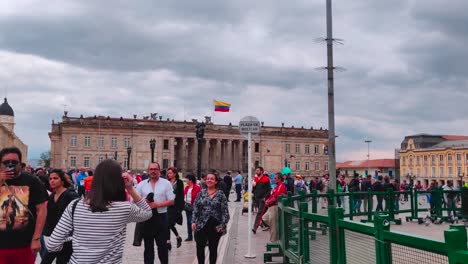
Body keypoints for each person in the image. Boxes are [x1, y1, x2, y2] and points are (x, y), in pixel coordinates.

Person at [46, 160, 152, 263]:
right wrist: (130, 189)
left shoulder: (74, 206)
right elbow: (147, 212)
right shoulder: (123, 208)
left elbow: (52, 244)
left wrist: (77, 243)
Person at [0, 147, 48, 264]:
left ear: (20, 164)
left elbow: (41, 210)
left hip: (24, 243)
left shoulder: (32, 181)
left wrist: (36, 238)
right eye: (6, 162)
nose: (10, 165)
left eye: (14, 162)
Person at [136, 162, 175, 264]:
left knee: (162, 246)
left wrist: (157, 205)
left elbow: (171, 201)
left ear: (159, 170)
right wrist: (144, 201)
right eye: (151, 169)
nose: (153, 171)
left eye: (155, 169)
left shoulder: (166, 183)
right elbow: (134, 200)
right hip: (146, 218)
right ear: (148, 171)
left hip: (161, 217)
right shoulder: (141, 184)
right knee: (148, 247)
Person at [41, 169, 79, 264]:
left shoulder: (71, 195)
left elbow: (77, 214)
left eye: (55, 178)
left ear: (62, 180)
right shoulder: (52, 195)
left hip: (67, 237)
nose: (52, 181)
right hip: (55, 235)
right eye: (50, 179)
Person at [192, 173, 229, 264]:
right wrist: (193, 221)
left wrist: (223, 225)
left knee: (213, 248)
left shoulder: (220, 194)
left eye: (212, 179)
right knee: (200, 248)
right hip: (201, 224)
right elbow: (195, 208)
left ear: (216, 181)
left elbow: (225, 212)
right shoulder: (201, 193)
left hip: (215, 225)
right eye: (207, 179)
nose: (209, 180)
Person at [262, 173, 287, 242]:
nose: (274, 179)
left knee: (273, 224)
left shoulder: (281, 186)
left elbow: (276, 197)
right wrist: (267, 200)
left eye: (275, 178)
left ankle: (273, 240)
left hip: (275, 206)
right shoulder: (276, 187)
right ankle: (278, 228)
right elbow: (272, 196)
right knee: (264, 218)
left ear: (279, 179)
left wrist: (268, 202)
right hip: (271, 207)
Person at [166, 167, 184, 250]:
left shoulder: (179, 182)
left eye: (170, 173)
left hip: (175, 207)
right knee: (167, 224)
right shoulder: (166, 182)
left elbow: (181, 196)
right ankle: (169, 241)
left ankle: (176, 238)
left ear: (174, 174)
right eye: (168, 173)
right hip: (167, 205)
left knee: (169, 224)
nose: (168, 174)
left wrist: (180, 209)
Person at [252, 167, 271, 234]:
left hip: (262, 199)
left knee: (259, 213)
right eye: (256, 170)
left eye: (258, 170)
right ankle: (267, 224)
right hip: (257, 198)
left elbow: (269, 189)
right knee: (263, 213)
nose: (256, 172)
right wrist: (254, 195)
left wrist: (265, 197)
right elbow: (254, 189)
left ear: (261, 171)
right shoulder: (256, 179)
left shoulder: (266, 179)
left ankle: (255, 227)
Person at [183, 174, 201, 241]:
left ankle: (196, 236)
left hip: (195, 207)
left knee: (192, 221)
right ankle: (189, 236)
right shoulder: (186, 188)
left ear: (190, 180)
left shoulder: (197, 187)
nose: (186, 180)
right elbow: (184, 195)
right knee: (188, 222)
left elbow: (199, 197)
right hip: (187, 206)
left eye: (187, 179)